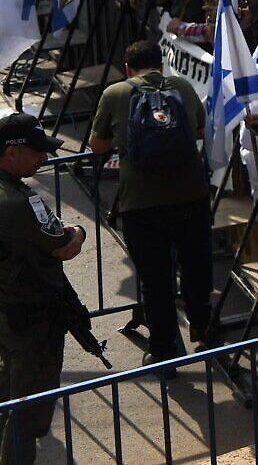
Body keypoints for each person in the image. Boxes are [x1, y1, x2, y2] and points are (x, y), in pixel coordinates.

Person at [87, 37, 211, 360]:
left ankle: (164, 351)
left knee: (156, 281)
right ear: (161, 63)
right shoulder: (181, 87)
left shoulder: (116, 94)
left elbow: (96, 146)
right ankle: (203, 329)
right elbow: (200, 129)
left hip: (140, 205)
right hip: (191, 196)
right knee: (196, 267)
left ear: (128, 68)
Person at [0, 114, 86, 464]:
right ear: (11, 152)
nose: (44, 159)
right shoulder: (19, 201)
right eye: (36, 151)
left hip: (7, 315)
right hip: (30, 321)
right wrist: (78, 230)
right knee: (28, 410)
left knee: (7, 394)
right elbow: (64, 245)